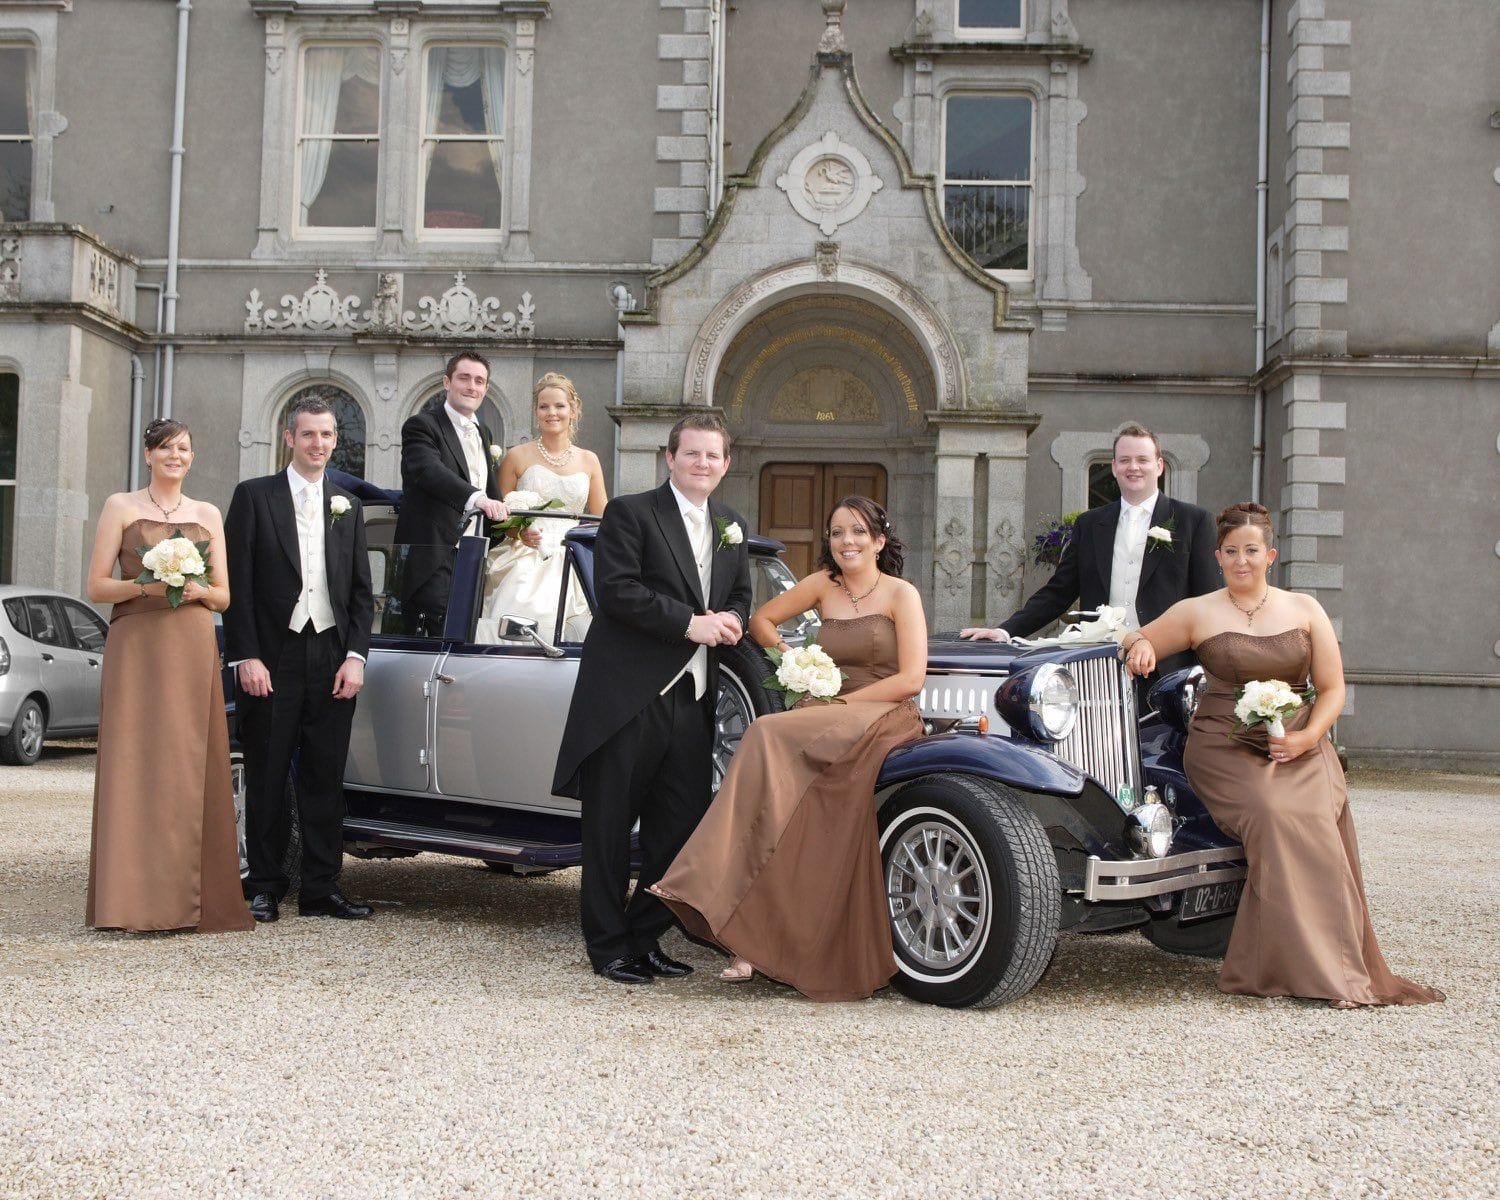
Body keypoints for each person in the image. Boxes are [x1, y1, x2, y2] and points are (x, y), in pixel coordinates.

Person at [1124, 502, 1443, 1008]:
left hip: (1299, 739)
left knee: (1313, 816)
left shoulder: (1304, 609)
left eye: (1252, 550)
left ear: (1270, 554)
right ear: (1218, 556)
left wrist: (1305, 737)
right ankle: (1313, 973)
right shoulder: (1198, 611)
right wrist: (1140, 646)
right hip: (1224, 746)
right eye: (1231, 552)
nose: (1242, 561)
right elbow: (1137, 638)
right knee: (1274, 814)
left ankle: (1333, 970)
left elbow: (1333, 689)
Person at [650, 496, 926, 1001]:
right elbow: (761, 622)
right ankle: (742, 926)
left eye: (859, 532)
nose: (847, 541)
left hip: (882, 710)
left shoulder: (901, 594)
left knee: (766, 733)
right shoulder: (823, 585)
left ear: (880, 541)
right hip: (826, 708)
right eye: (838, 532)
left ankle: (728, 901)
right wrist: (795, 660)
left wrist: (842, 698)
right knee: (776, 790)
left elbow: (911, 679)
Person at [552, 412, 753, 985]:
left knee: (681, 832)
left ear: (726, 463)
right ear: (670, 458)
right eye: (692, 454)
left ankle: (643, 936)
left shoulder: (731, 524)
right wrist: (691, 623)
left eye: (713, 456)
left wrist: (734, 619)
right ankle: (609, 949)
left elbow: (740, 594)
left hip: (692, 699)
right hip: (627, 697)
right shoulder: (632, 513)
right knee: (610, 829)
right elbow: (617, 592)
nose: (703, 464)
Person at [84, 418, 253, 934]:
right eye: (164, 448)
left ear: (191, 457)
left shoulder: (207, 513)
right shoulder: (120, 505)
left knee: (186, 762)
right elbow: (95, 586)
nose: (174, 456)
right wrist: (146, 583)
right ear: (148, 454)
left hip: (191, 642)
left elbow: (224, 596)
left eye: (183, 448)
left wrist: (195, 587)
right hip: (136, 643)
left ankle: (190, 899)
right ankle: (127, 900)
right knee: (133, 760)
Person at [224, 396, 375, 923]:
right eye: (308, 434)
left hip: (331, 654)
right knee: (267, 774)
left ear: (336, 440)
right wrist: (246, 655)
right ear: (290, 438)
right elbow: (236, 586)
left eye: (327, 435)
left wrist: (356, 656)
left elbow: (361, 592)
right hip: (272, 657)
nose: (318, 444)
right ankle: (265, 886)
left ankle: (321, 889)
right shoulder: (254, 497)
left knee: (324, 777)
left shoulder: (347, 505)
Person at [961, 423, 1217, 677]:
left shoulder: (1193, 521)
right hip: (1100, 664)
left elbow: (1209, 601)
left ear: (1159, 466)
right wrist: (1005, 631)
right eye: (1125, 460)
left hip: (1169, 667)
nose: (1134, 467)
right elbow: (1058, 592)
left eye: (1143, 460)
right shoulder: (1090, 524)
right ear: (1114, 467)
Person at [475, 372, 607, 644]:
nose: (552, 413)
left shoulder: (589, 460)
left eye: (559, 406)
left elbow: (601, 518)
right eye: (544, 406)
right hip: (526, 553)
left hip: (574, 555)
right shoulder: (517, 456)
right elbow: (499, 517)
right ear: (536, 412)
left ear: (573, 410)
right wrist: (519, 534)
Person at [393, 350, 509, 636]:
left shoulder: (484, 434)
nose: (472, 386)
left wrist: (514, 528)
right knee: (433, 637)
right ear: (447, 382)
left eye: (479, 381)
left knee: (467, 637)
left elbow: (490, 489)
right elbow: (428, 472)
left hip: (475, 555)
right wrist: (476, 498)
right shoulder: (422, 426)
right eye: (464, 378)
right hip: (433, 556)